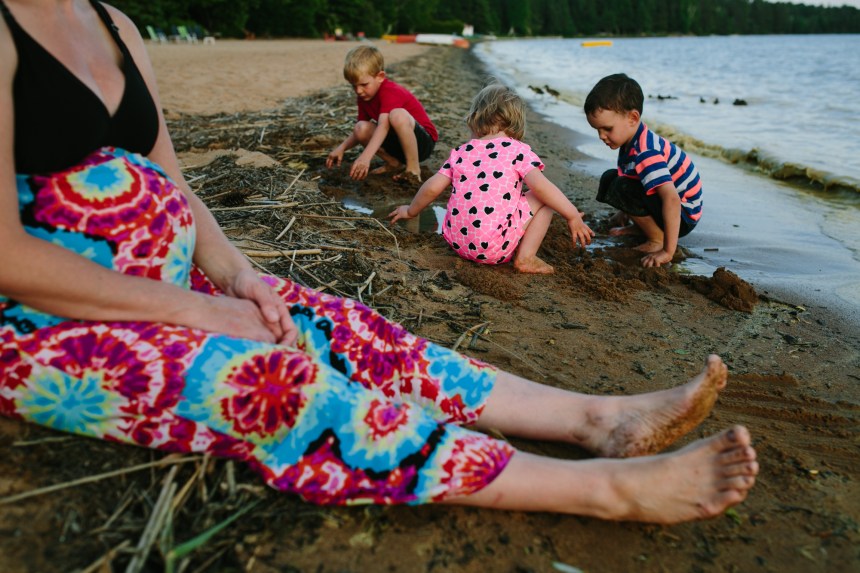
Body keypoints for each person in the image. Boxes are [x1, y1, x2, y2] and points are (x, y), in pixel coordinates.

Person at [0, 1, 757, 523]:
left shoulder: (116, 26)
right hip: (45, 320)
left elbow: (172, 181)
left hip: (170, 281)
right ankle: (604, 490)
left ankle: (597, 418)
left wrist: (235, 275)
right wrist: (199, 310)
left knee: (350, 328)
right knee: (279, 381)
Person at [389, 83, 594, 274]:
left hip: (455, 241)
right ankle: (526, 258)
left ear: (475, 117)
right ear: (515, 121)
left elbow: (432, 188)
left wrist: (410, 210)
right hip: (493, 250)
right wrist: (572, 215)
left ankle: (492, 242)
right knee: (545, 199)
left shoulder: (462, 151)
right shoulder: (517, 151)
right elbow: (542, 188)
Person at [584, 73, 703, 268]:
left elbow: (671, 199)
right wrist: (624, 214)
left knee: (621, 186)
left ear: (632, 118)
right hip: (667, 207)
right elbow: (632, 176)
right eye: (597, 130)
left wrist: (667, 251)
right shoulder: (629, 141)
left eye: (607, 129)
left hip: (682, 215)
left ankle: (657, 238)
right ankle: (642, 228)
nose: (601, 136)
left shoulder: (646, 152)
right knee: (611, 179)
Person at [325, 44, 437, 184]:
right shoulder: (364, 97)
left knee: (397, 115)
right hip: (398, 144)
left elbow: (383, 126)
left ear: (380, 77)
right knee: (361, 127)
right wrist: (341, 148)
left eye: (364, 84)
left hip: (422, 143)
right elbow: (360, 132)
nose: (359, 91)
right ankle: (393, 163)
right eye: (354, 86)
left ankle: (413, 169)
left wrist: (365, 157)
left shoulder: (390, 91)